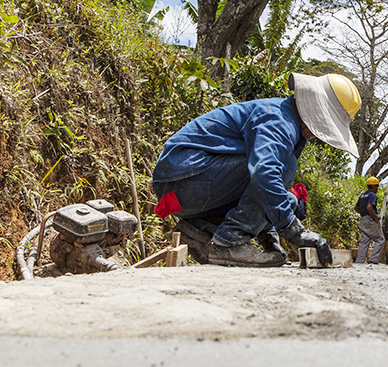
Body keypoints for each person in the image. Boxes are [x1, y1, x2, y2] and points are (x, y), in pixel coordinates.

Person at [152, 72, 358, 267]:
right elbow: (264, 175)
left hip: (190, 189)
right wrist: (296, 232)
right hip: (184, 182)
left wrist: (268, 235)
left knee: (290, 199)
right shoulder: (279, 120)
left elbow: (259, 193)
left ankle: (198, 231)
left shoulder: (284, 120)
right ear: (317, 112)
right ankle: (230, 241)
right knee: (282, 168)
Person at [354, 176, 385, 264]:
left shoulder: (362, 195)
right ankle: (373, 259)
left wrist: (363, 214)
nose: (377, 189)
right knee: (380, 240)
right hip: (370, 220)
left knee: (364, 241)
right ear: (374, 187)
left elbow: (356, 208)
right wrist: (375, 218)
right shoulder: (372, 195)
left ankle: (359, 261)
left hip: (363, 220)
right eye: (377, 187)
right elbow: (369, 207)